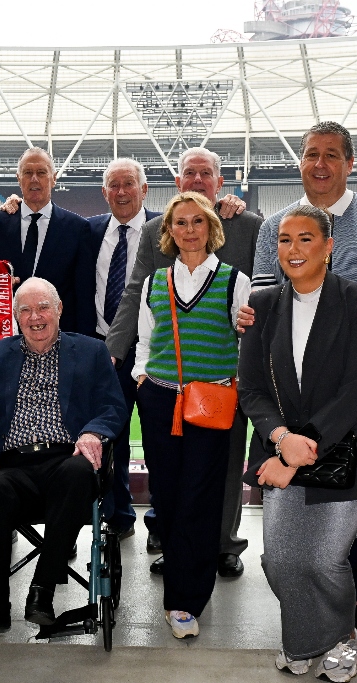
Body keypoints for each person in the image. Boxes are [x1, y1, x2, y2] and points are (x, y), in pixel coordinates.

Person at [243, 121, 357, 648]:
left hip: (356, 388)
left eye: (331, 155)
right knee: (292, 538)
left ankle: (348, 612)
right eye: (311, 154)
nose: (320, 163)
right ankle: (309, 630)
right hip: (292, 394)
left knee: (345, 518)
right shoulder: (275, 224)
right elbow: (268, 304)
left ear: (349, 163)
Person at [105, 147, 259, 576]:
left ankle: (225, 544)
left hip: (222, 376)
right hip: (168, 377)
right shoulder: (157, 229)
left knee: (226, 463)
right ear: (177, 184)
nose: (196, 180)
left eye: (205, 174)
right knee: (172, 466)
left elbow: (262, 296)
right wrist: (118, 352)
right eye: (188, 173)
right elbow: (136, 292)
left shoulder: (248, 227)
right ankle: (177, 543)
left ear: (220, 183)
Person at [0, 278, 126, 636]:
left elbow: (113, 407)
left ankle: (42, 593)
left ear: (59, 310)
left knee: (78, 473)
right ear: (15, 317)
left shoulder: (91, 351)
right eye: (25, 310)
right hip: (12, 464)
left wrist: (92, 432)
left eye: (43, 307)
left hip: (66, 457)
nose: (35, 317)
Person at [132, 192, 252, 639]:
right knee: (167, 495)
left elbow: (247, 344)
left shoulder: (233, 281)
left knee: (200, 499)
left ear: (210, 229)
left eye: (196, 222)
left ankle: (187, 599)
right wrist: (143, 377)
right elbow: (145, 341)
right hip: (160, 400)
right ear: (169, 232)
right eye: (179, 222)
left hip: (209, 403)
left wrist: (230, 385)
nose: (188, 230)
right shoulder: (154, 282)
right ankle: (178, 586)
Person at [74, 157, 160, 537]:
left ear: (144, 189)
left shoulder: (166, 228)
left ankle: (162, 521)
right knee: (110, 438)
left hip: (157, 351)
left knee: (160, 441)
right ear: (104, 192)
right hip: (102, 349)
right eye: (114, 185)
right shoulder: (87, 231)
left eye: (129, 184)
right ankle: (118, 517)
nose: (122, 192)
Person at [0, 147, 90, 332]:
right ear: (18, 178)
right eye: (28, 173)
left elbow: (83, 294)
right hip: (7, 337)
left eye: (41, 172)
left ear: (53, 178)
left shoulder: (77, 228)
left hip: (60, 338)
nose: (34, 179)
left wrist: (83, 344)